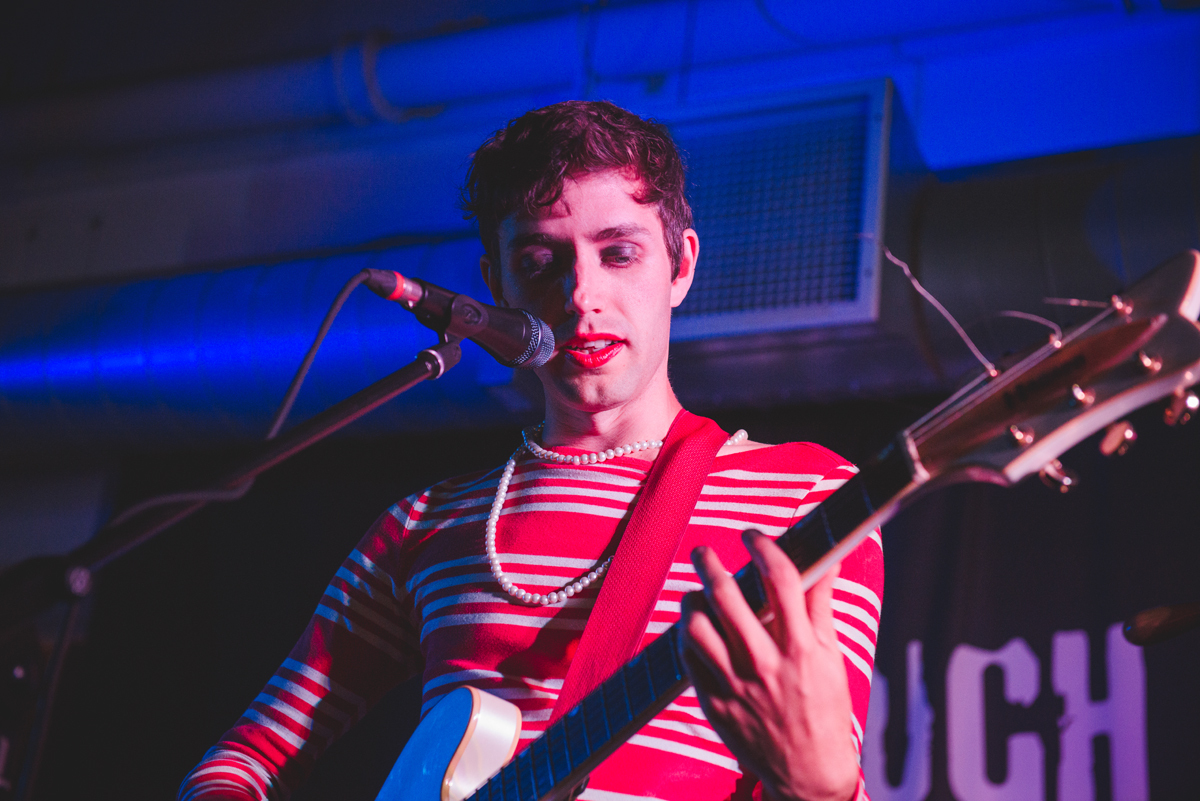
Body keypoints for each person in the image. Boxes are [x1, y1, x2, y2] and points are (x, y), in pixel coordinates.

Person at [178, 100, 883, 801]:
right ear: (497, 288)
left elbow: (822, 770)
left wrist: (823, 787)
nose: (582, 296)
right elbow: (238, 760)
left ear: (681, 265)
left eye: (619, 252)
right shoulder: (424, 523)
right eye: (542, 261)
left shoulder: (805, 493)